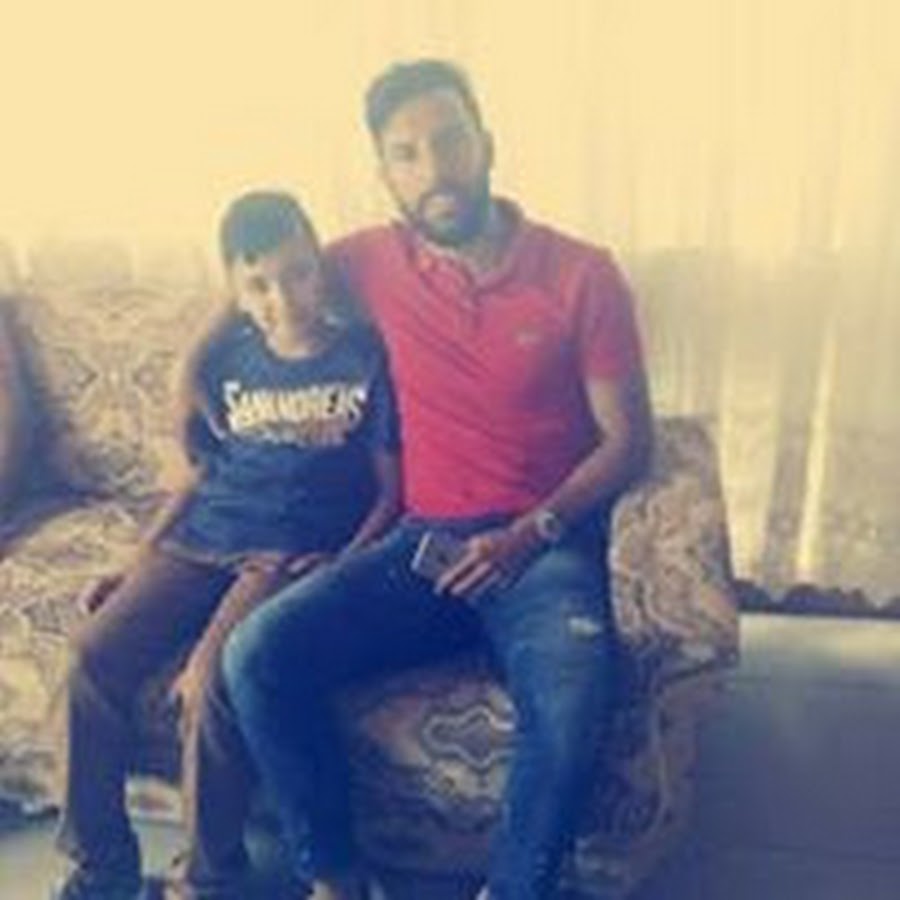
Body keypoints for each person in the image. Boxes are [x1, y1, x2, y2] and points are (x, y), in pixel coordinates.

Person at [222, 59, 654, 900]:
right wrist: (185, 381)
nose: (434, 169)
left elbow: (628, 442)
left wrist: (532, 532)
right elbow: (256, 273)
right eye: (407, 153)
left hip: (544, 549)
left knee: (574, 697)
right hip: (423, 545)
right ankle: (337, 879)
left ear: (486, 144)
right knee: (256, 654)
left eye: (449, 141)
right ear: (386, 175)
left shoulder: (582, 274)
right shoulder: (368, 263)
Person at [51, 190, 402, 900]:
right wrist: (136, 560)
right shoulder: (228, 359)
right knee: (88, 655)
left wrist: (343, 564)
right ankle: (101, 867)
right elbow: (195, 478)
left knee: (212, 680)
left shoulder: (364, 358)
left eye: (298, 274)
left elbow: (391, 493)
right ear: (236, 292)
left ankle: (206, 880)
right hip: (199, 541)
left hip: (285, 555)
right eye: (260, 285)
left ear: (320, 266)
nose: (284, 300)